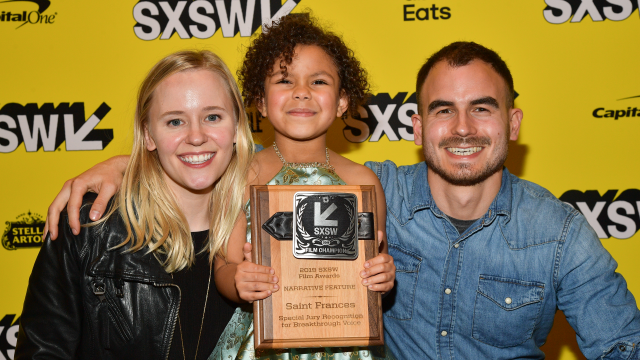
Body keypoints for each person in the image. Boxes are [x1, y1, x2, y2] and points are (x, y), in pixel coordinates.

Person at [40, 14, 396, 360]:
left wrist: (382, 277)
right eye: (285, 81)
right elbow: (225, 264)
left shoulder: (362, 180)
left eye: (318, 82)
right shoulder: (244, 175)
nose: (301, 93)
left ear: (343, 101)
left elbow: (372, 262)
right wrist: (239, 281)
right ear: (260, 102)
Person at [364, 41, 640, 359]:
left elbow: (623, 346)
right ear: (418, 127)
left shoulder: (557, 232)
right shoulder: (376, 193)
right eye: (444, 110)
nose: (463, 128)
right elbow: (300, 171)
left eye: (481, 108)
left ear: (513, 124)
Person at [16, 50, 255, 360]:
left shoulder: (264, 230)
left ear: (236, 126)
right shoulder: (89, 225)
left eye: (212, 117)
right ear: (148, 135)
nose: (196, 136)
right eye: (174, 121)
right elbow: (42, 351)